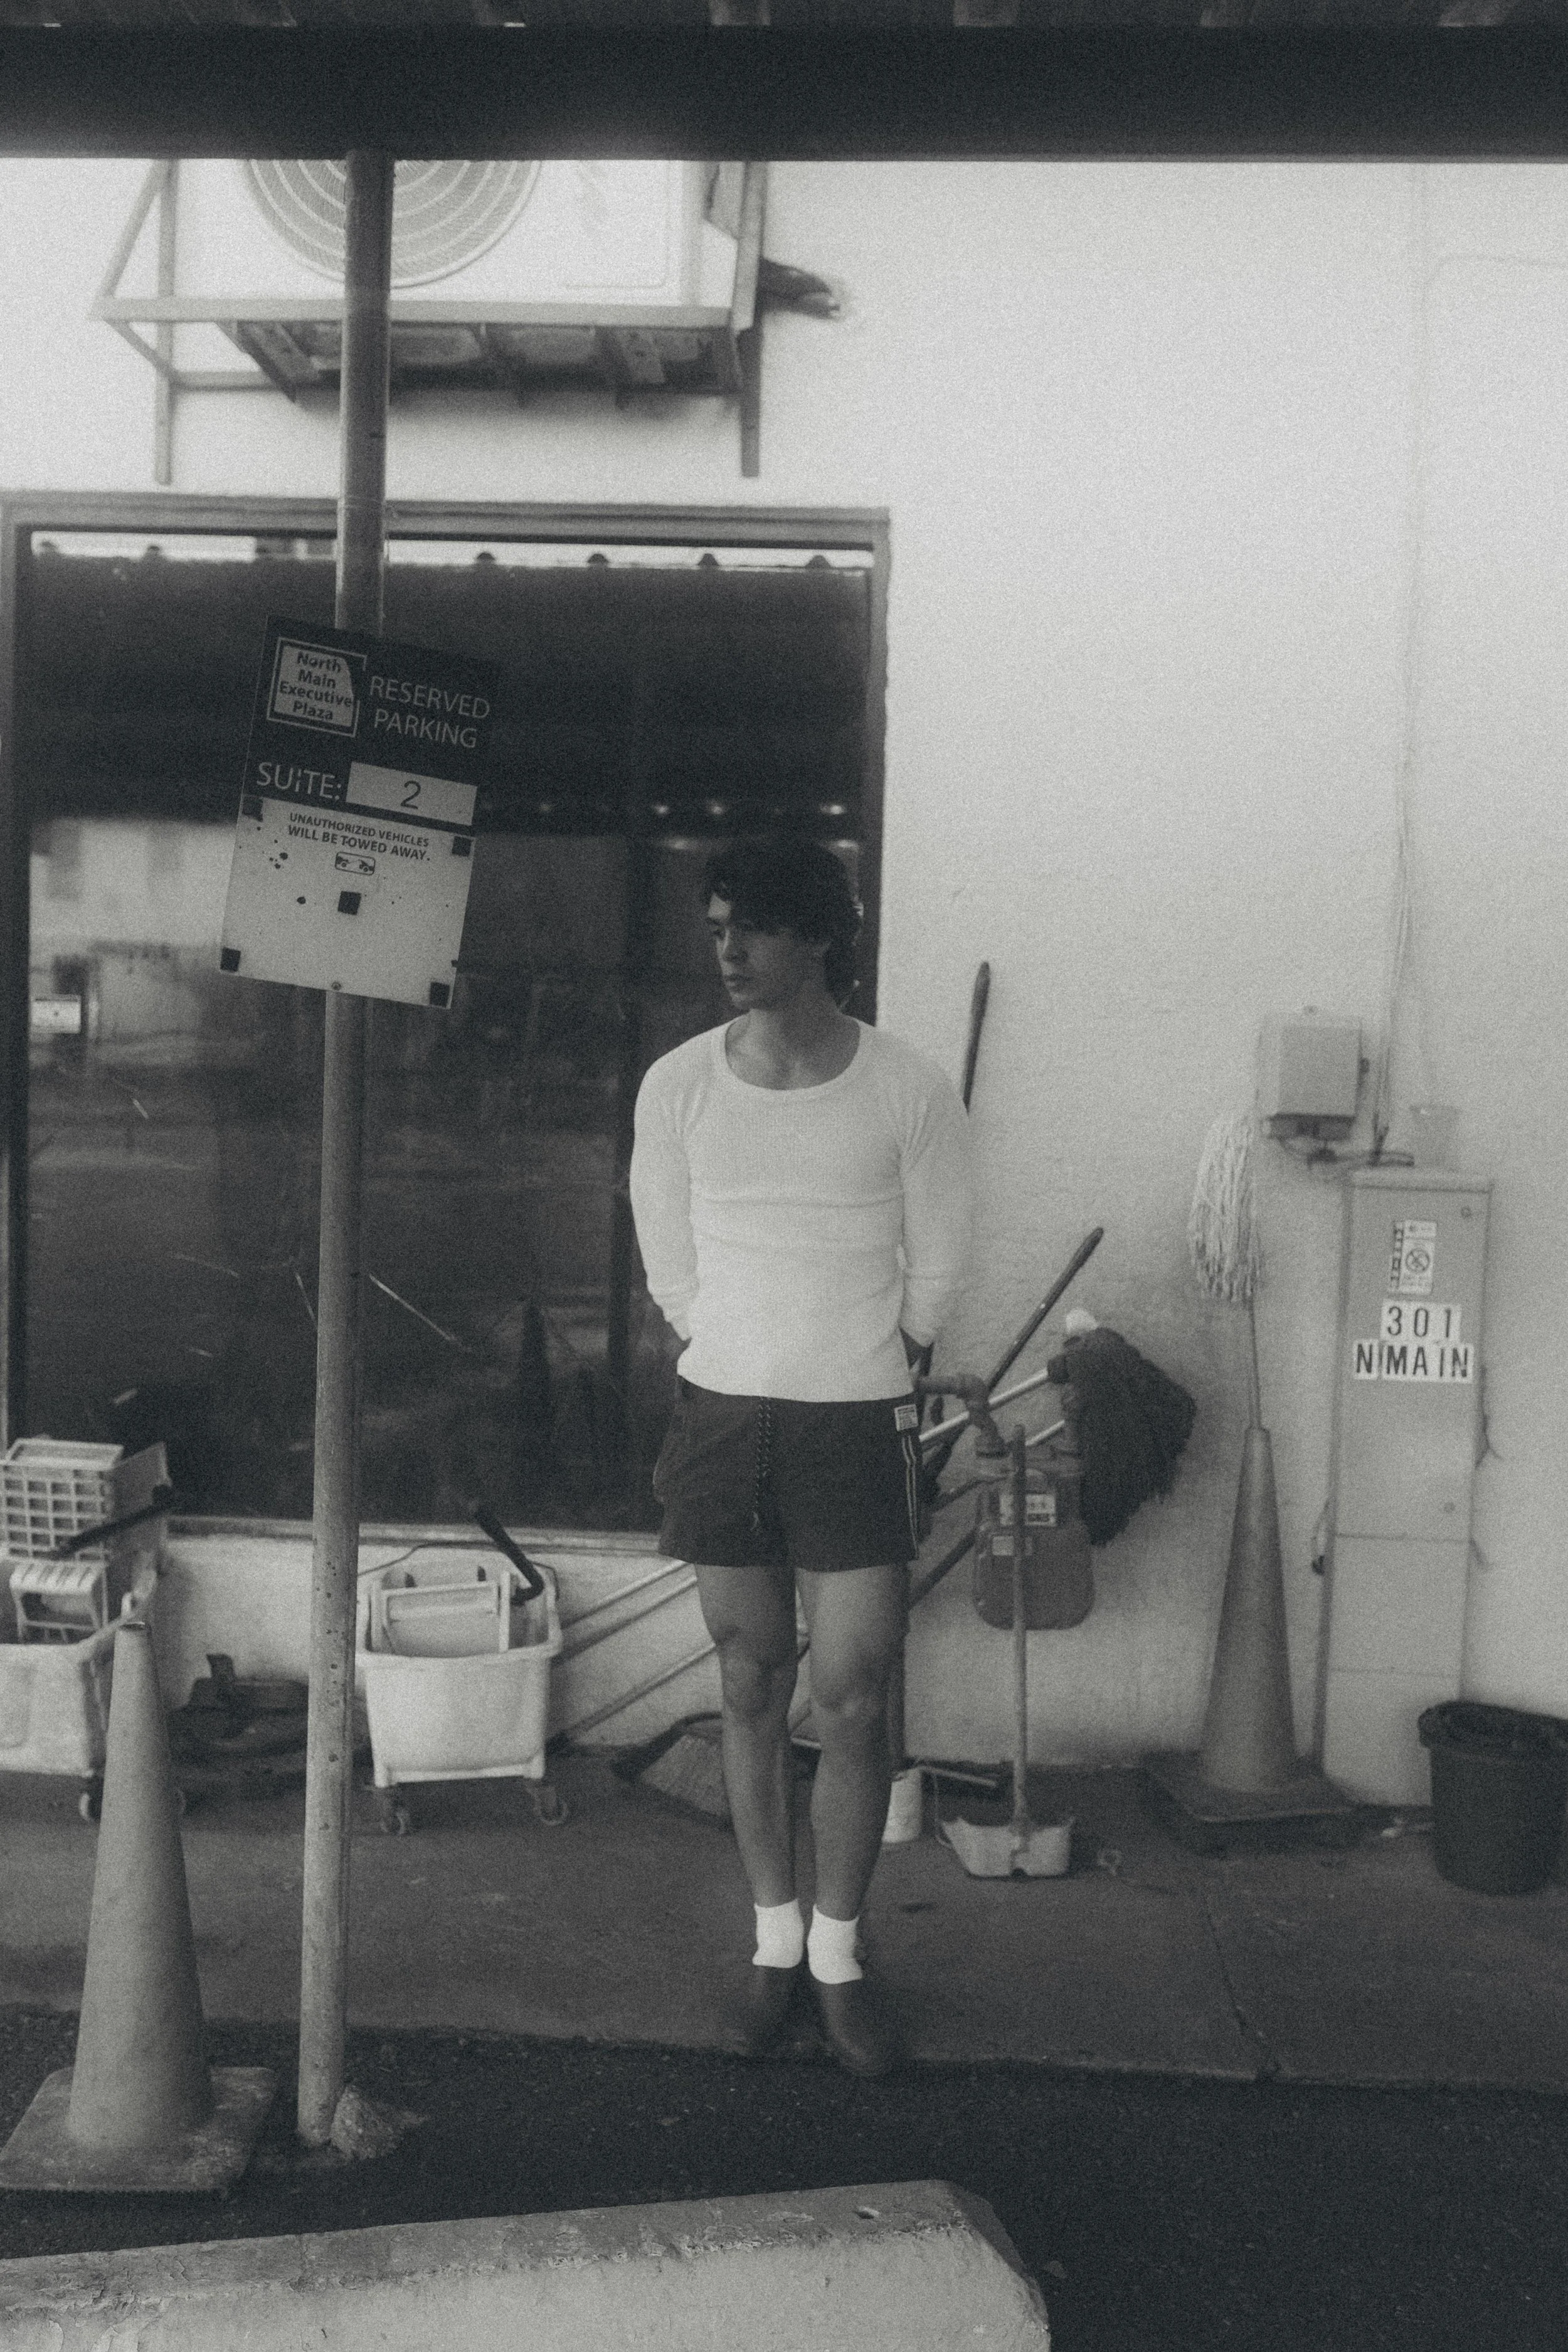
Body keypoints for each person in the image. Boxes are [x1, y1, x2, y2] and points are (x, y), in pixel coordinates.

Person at [628, 837, 973, 2076]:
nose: (726, 949)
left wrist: (870, 1359)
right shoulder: (675, 1085)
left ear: (818, 938)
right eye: (717, 925)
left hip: (852, 1418)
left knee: (857, 1690)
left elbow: (937, 1264)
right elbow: (666, 1259)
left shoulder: (906, 1088)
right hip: (724, 1412)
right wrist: (727, 1340)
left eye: (753, 926)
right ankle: (773, 1945)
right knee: (746, 1678)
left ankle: (840, 1956)